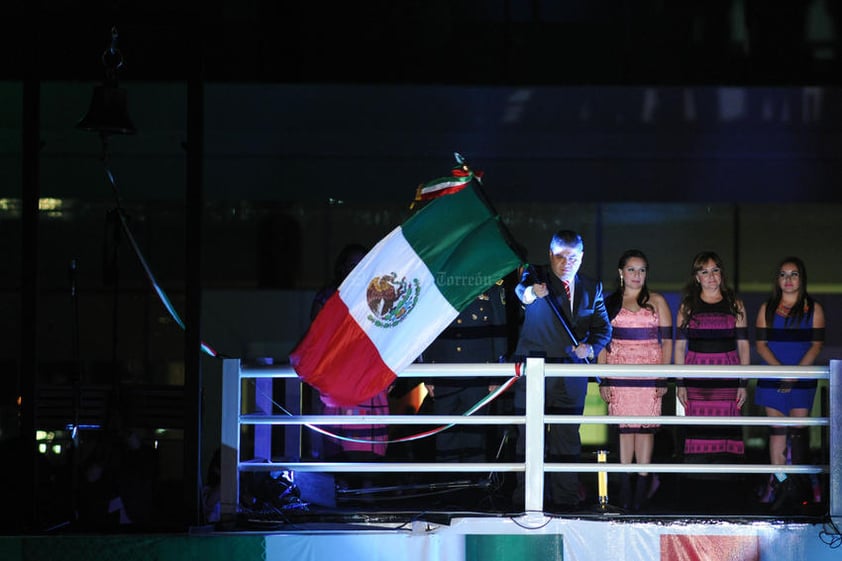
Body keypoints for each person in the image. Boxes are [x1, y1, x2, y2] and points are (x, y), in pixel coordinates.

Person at [511, 229, 612, 512]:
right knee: (530, 437)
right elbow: (522, 292)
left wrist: (590, 348)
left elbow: (603, 328)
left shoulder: (593, 288)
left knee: (568, 438)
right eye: (560, 256)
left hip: (572, 374)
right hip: (536, 371)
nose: (566, 262)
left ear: (582, 257)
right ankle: (527, 499)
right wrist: (532, 292)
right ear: (550, 255)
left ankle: (566, 501)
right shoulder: (535, 274)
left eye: (573, 257)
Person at [419, 279, 511, 505]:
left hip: (479, 374)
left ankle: (473, 496)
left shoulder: (491, 286)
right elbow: (428, 328)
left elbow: (499, 331)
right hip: (444, 372)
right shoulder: (441, 284)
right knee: (445, 439)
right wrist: (428, 375)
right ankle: (447, 495)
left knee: (475, 438)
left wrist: (496, 375)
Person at [597, 249, 673, 512]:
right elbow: (601, 344)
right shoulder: (608, 303)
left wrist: (663, 375)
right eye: (631, 269)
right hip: (619, 371)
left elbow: (669, 342)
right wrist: (603, 378)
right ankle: (625, 488)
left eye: (641, 270)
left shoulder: (657, 301)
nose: (636, 275)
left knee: (645, 429)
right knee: (625, 430)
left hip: (649, 371)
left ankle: (642, 487)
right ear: (621, 272)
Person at [309, 244, 390, 481]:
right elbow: (317, 337)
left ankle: (366, 493)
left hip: (370, 379)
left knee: (368, 449)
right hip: (338, 378)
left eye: (362, 263)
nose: (357, 269)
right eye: (352, 264)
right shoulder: (328, 296)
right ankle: (342, 492)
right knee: (338, 444)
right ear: (342, 267)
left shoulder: (379, 295)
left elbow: (388, 337)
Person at [674, 251, 749, 504]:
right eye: (704, 271)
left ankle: (729, 496)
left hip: (728, 377)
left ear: (722, 273)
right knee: (699, 433)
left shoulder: (735, 304)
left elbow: (744, 346)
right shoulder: (687, 305)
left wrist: (743, 382)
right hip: (697, 378)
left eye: (715, 270)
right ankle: (697, 495)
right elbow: (679, 348)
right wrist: (680, 382)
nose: (710, 276)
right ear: (696, 277)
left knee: (725, 433)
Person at [754, 256, 825, 507]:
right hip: (773, 377)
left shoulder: (814, 309)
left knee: (798, 432)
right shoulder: (767, 309)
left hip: (802, 377)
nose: (788, 279)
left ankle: (801, 485)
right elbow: (761, 346)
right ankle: (780, 483)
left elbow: (816, 345)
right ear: (777, 279)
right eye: (783, 274)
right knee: (778, 431)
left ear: (801, 278)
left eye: (793, 274)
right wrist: (781, 373)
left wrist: (796, 374)